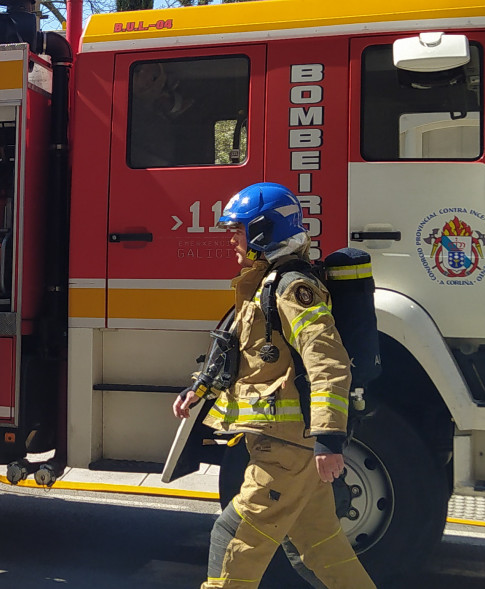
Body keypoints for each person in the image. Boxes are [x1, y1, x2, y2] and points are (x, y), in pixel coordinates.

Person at [173, 183, 376, 589]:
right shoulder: (265, 283)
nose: (232, 238)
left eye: (238, 230)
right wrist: (200, 389)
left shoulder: (291, 288)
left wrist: (329, 439)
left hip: (287, 451)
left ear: (263, 232)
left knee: (233, 538)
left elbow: (328, 362)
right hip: (286, 445)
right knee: (321, 549)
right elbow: (239, 350)